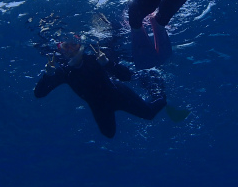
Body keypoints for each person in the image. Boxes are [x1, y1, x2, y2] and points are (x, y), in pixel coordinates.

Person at [34, 35, 168, 138]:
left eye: (73, 44)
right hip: (99, 106)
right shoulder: (63, 72)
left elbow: (127, 76)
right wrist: (48, 75)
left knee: (149, 113)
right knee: (109, 134)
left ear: (80, 45)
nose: (71, 50)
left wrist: (107, 63)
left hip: (118, 95)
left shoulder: (94, 59)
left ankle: (159, 94)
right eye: (66, 46)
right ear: (60, 50)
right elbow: (39, 93)